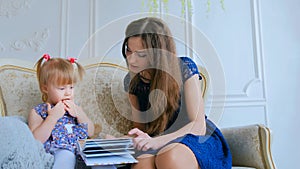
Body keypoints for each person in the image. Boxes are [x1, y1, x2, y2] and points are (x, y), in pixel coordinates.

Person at [121, 17, 232, 169]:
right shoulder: (132, 81)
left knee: (168, 156)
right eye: (129, 50)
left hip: (193, 138)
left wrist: (158, 141)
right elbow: (141, 130)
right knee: (143, 162)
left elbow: (198, 126)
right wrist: (118, 141)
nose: (131, 59)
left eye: (141, 54)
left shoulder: (183, 68)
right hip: (157, 140)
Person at [27, 54, 95, 169]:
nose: (68, 93)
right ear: (45, 88)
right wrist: (52, 118)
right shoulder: (38, 111)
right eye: (62, 88)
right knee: (66, 156)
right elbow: (36, 139)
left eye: (71, 87)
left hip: (81, 150)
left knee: (99, 156)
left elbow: (91, 132)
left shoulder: (76, 108)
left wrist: (80, 114)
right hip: (59, 152)